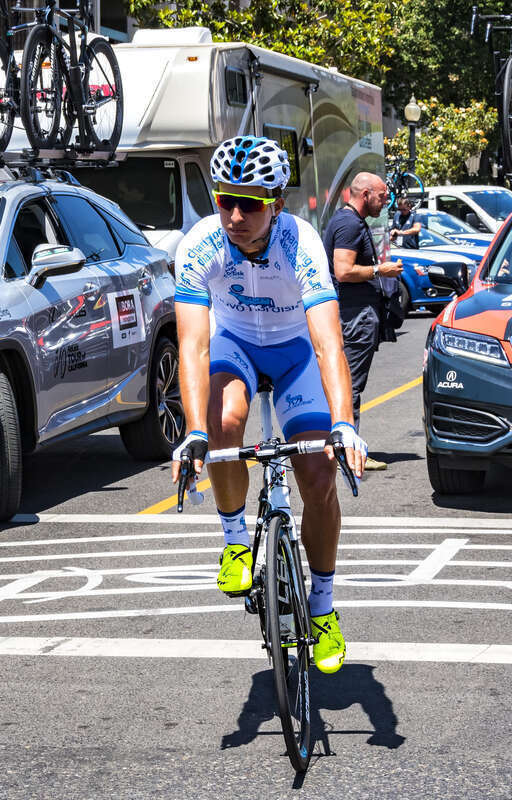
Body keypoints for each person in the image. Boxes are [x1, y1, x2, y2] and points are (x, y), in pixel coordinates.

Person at [171, 136, 367, 674]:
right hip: (233, 344)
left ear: (276, 203)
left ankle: (323, 606)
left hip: (294, 351)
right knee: (223, 422)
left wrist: (345, 424)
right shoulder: (199, 244)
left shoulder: (300, 244)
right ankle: (236, 540)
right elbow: (193, 344)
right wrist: (193, 432)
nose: (234, 215)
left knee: (318, 473)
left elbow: (329, 342)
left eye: (250, 203)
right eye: (224, 200)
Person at [323, 172, 404, 470]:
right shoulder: (348, 224)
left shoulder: (350, 222)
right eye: (382, 196)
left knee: (348, 382)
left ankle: (342, 445)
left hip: (355, 314)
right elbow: (343, 271)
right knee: (350, 384)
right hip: (353, 316)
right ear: (366, 193)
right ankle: (349, 449)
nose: (386, 201)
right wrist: (379, 271)